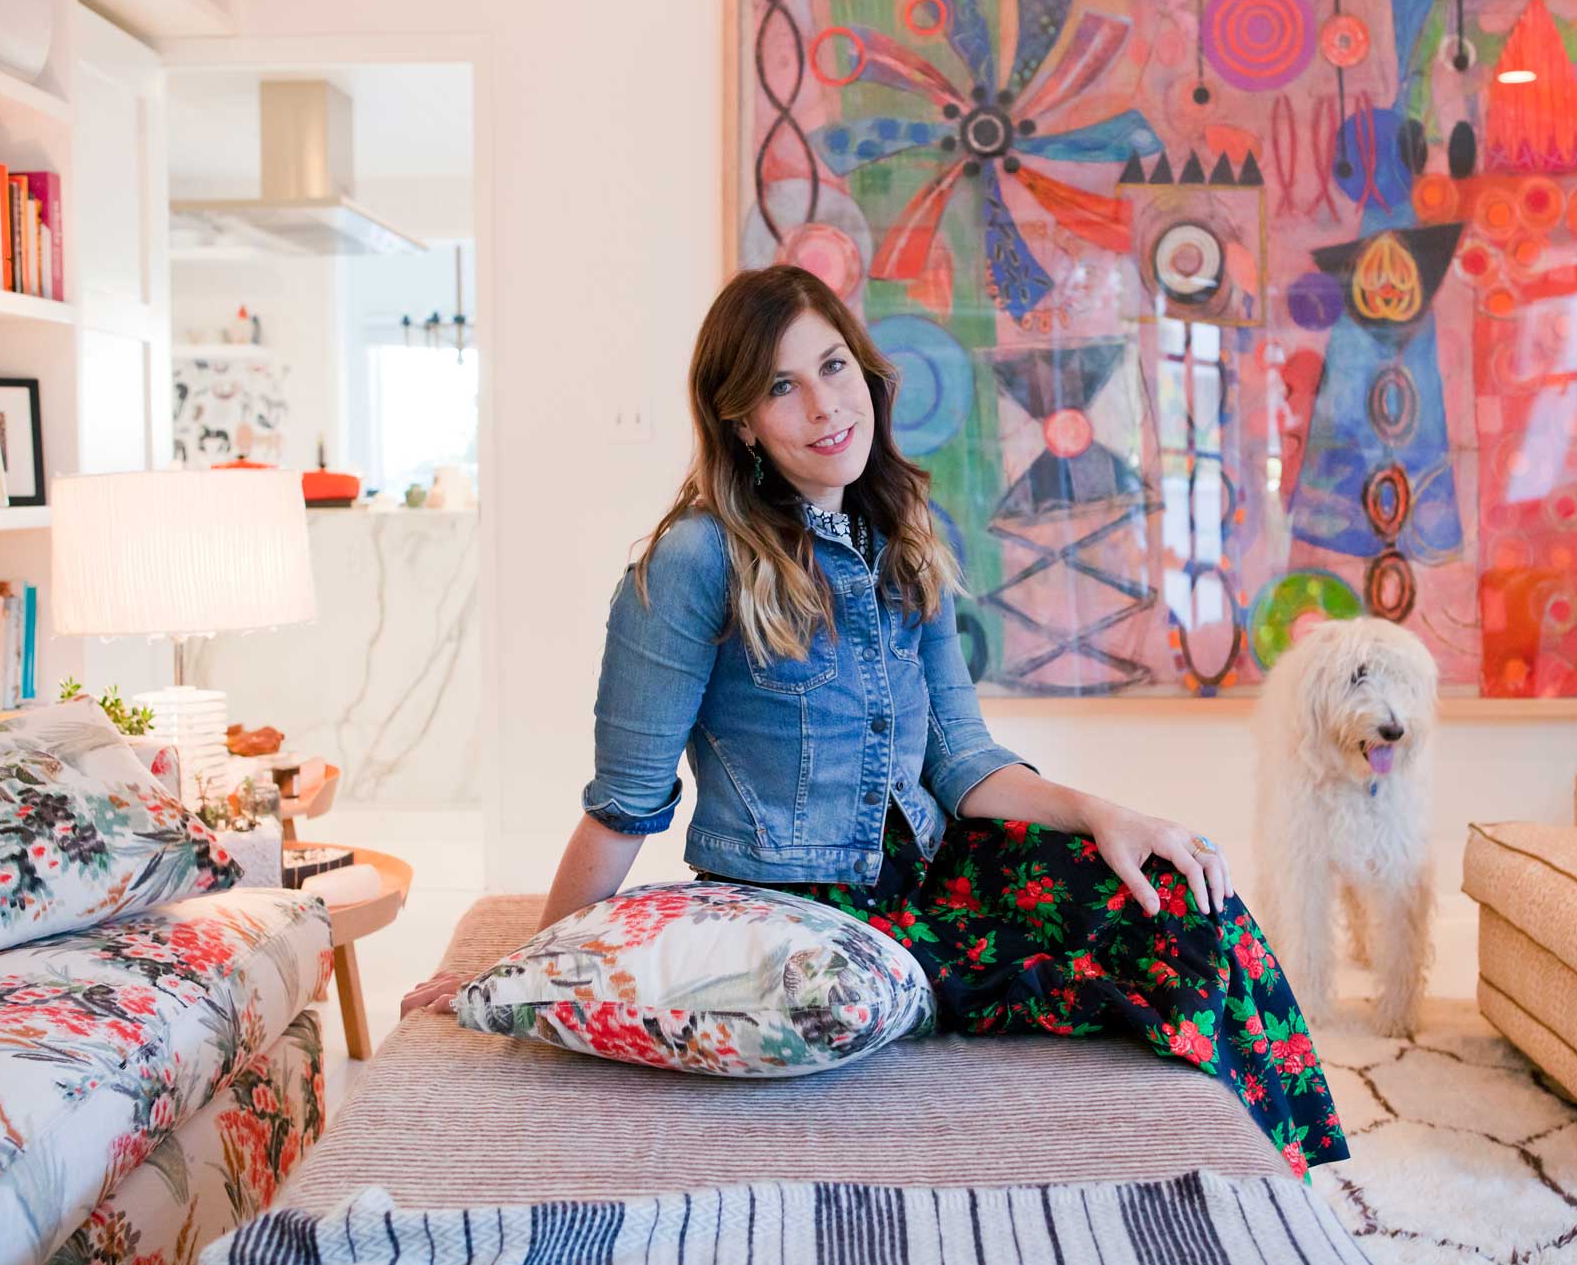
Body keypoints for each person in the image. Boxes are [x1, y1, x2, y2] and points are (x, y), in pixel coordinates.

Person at [403, 265, 1346, 1175]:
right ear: (741, 420)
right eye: (782, 386)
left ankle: (1289, 1190)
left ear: (863, 368)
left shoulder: (902, 536)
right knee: (874, 995)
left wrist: (1108, 816)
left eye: (833, 366)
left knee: (1183, 895)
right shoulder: (693, 562)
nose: (824, 406)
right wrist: (532, 969)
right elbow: (625, 804)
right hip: (799, 902)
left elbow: (963, 759)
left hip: (933, 873)